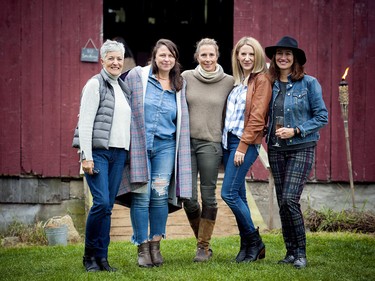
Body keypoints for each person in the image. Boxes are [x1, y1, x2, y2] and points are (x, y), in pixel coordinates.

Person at [116, 39, 192, 268]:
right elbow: (119, 103)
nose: (166, 59)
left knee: (159, 196)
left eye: (171, 55)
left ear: (175, 59)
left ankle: (155, 245)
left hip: (165, 147)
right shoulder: (137, 78)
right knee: (141, 196)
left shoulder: (180, 84)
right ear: (154, 57)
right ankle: (142, 246)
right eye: (162, 55)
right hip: (139, 144)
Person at [264, 36, 328, 269]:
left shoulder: (309, 83)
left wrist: (296, 130)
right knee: (282, 202)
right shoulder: (268, 84)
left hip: (301, 146)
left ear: (295, 59)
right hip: (276, 148)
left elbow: (322, 116)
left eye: (288, 54)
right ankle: (290, 252)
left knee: (290, 199)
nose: (283, 57)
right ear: (274, 58)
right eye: (279, 53)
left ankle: (301, 252)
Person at [72, 40, 131, 272]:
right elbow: (85, 123)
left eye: (119, 59)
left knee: (108, 207)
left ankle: (102, 258)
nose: (116, 63)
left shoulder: (123, 88)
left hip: (119, 154)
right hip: (98, 153)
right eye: (111, 58)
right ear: (102, 60)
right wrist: (85, 156)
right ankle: (89, 257)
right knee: (101, 202)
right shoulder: (94, 85)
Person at [181, 38, 234, 262]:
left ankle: (203, 247)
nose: (208, 59)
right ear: (197, 57)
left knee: (208, 196)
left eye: (211, 55)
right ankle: (201, 241)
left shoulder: (229, 82)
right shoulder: (186, 78)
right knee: (189, 198)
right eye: (203, 55)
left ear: (217, 56)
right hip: (186, 143)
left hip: (211, 144)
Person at [221, 36, 272, 263]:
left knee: (228, 194)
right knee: (239, 194)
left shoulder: (261, 80)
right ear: (237, 56)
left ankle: (255, 241)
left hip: (246, 143)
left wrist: (242, 147)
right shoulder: (239, 81)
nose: (247, 58)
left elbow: (258, 118)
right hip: (229, 142)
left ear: (258, 56)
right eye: (243, 54)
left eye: (252, 54)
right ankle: (246, 248)